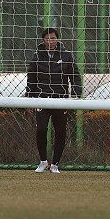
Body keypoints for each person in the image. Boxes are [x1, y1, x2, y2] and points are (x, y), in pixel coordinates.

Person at [26, 28, 83, 174]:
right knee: (41, 129)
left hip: (60, 100)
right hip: (42, 99)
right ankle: (43, 161)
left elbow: (75, 75)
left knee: (60, 133)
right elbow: (31, 79)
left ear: (57, 39)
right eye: (47, 39)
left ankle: (55, 164)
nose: (50, 41)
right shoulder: (37, 56)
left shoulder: (67, 55)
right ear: (43, 40)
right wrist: (29, 99)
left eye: (52, 38)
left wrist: (76, 92)